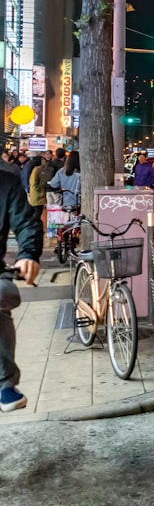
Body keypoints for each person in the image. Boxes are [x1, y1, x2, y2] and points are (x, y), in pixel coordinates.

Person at [0, 167, 44, 412]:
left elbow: (27, 223)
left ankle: (5, 383)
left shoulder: (6, 184)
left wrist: (27, 255)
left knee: (1, 295)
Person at [26, 155, 45, 225]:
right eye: (43, 160)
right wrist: (41, 191)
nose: (44, 162)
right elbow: (33, 183)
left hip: (36, 196)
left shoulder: (37, 169)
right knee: (37, 213)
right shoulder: (36, 170)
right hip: (37, 196)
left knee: (37, 213)